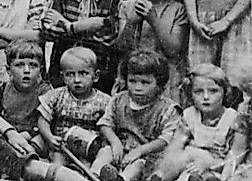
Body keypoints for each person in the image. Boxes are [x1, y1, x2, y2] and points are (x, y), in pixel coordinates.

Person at [91, 50, 181, 181]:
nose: (138, 88)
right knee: (104, 153)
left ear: (159, 84)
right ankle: (94, 174)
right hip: (120, 149)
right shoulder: (119, 100)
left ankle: (121, 179)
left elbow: (165, 139)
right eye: (132, 81)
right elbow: (105, 123)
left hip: (146, 156)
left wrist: (140, 151)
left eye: (145, 82)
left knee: (138, 166)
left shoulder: (167, 109)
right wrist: (115, 142)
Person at [117, 0, 187, 101]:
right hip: (135, 84)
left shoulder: (177, 9)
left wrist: (154, 20)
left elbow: (173, 51)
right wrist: (132, 22)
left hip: (166, 85)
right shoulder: (127, 7)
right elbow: (121, 48)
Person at [155, 64, 248, 181]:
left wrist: (210, 164)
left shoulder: (232, 118)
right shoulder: (190, 115)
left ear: (225, 92)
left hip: (217, 167)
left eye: (213, 91)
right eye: (198, 92)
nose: (206, 97)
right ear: (190, 94)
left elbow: (234, 156)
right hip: (190, 167)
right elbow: (175, 146)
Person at [37, 47, 113, 171]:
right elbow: (42, 119)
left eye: (83, 73)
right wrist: (49, 137)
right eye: (70, 74)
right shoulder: (57, 95)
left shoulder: (104, 101)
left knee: (88, 168)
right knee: (57, 166)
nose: (77, 80)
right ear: (63, 77)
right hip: (62, 147)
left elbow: (109, 126)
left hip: (89, 149)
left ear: (95, 76)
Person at [0, 40, 52, 141]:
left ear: (41, 69)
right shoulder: (5, 89)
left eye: (33, 65)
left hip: (31, 135)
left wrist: (26, 135)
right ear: (9, 70)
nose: (26, 71)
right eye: (20, 65)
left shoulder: (45, 92)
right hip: (8, 132)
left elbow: (45, 122)